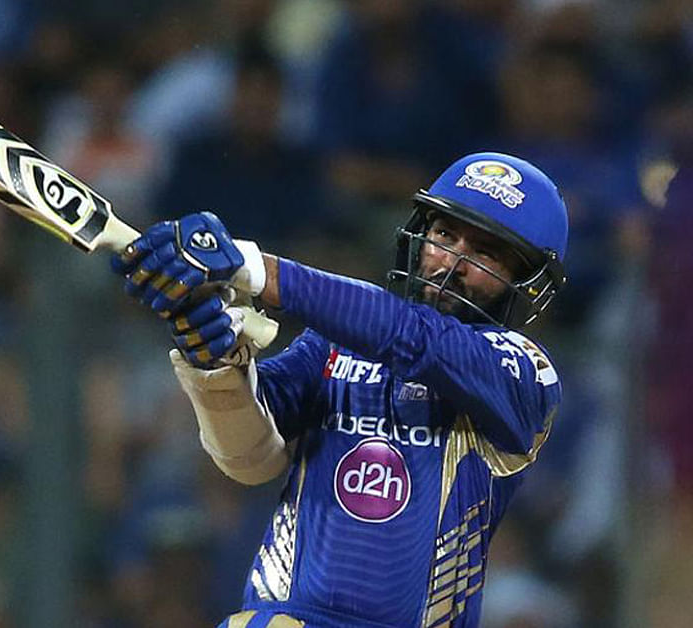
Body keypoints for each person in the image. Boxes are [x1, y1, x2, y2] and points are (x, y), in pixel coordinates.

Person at [111, 152, 568, 627]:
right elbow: (249, 458)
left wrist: (251, 266)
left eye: (486, 253)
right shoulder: (337, 342)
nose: (451, 264)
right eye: (444, 235)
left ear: (527, 285)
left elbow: (414, 336)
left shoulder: (524, 376)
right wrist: (214, 363)